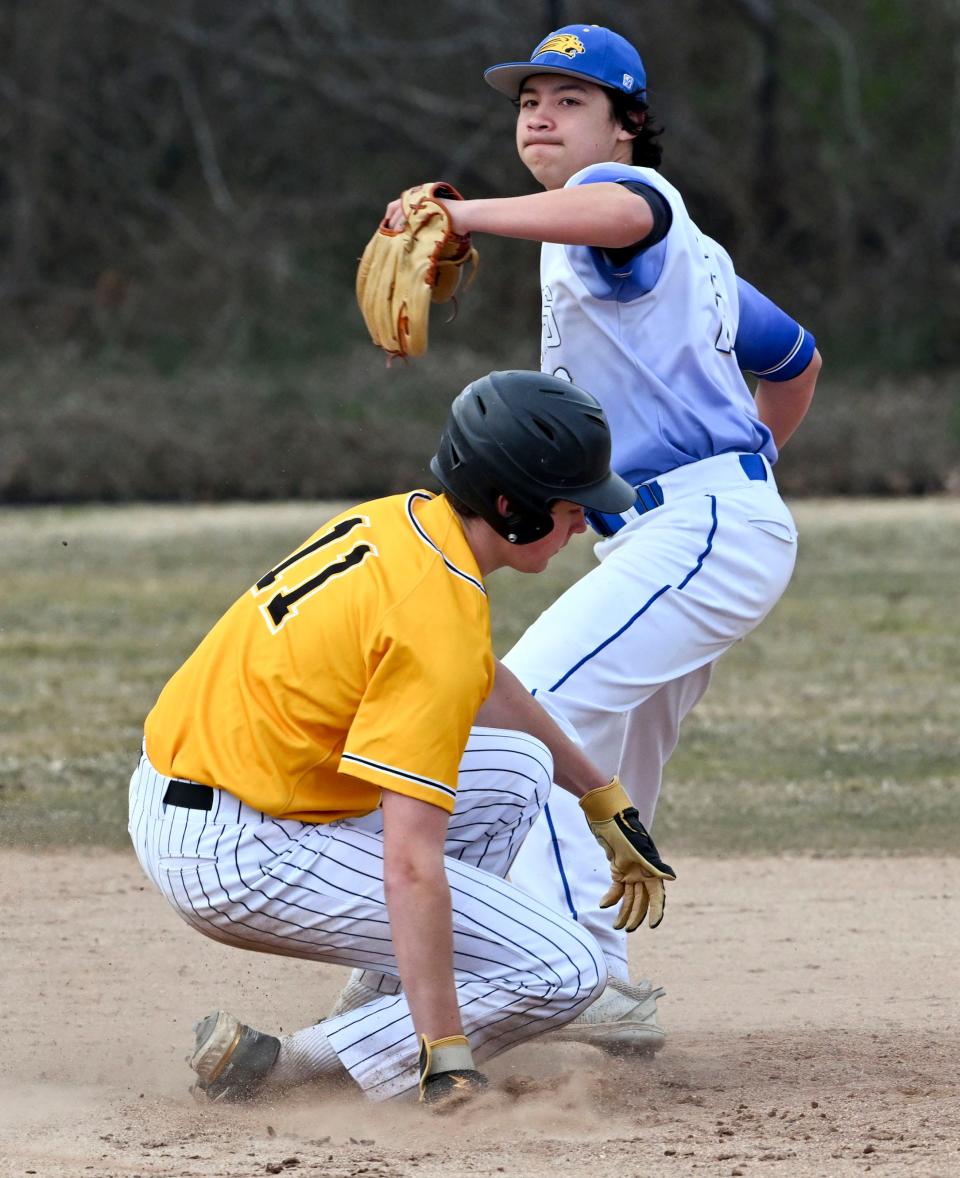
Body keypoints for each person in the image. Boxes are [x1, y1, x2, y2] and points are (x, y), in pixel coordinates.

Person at [368, 24, 822, 1051]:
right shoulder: (677, 262)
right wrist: (745, 470)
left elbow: (619, 209)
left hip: (702, 531)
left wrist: (463, 210)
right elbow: (796, 361)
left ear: (628, 127)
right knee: (610, 744)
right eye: (531, 96)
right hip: (686, 531)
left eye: (573, 99)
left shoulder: (639, 209)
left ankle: (543, 968)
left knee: (530, 707)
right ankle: (600, 978)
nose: (539, 111)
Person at [128, 369, 675, 1104]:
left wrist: (601, 796)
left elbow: (482, 678)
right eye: (574, 507)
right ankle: (297, 1063)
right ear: (511, 507)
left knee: (519, 768)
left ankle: (374, 1021)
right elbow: (411, 864)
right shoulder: (434, 619)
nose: (586, 524)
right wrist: (449, 1052)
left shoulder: (407, 523)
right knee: (566, 971)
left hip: (200, 792)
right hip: (236, 854)